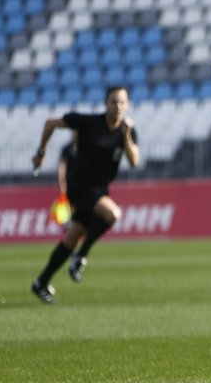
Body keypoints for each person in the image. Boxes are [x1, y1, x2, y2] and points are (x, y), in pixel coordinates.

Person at [29, 85, 140, 303]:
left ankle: (41, 282)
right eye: (113, 101)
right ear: (105, 103)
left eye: (121, 102)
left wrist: (126, 135)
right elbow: (51, 123)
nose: (117, 106)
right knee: (113, 215)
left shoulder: (127, 131)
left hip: (100, 189)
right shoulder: (90, 123)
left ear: (127, 105)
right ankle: (81, 256)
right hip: (79, 186)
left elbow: (134, 161)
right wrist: (41, 153)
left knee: (72, 237)